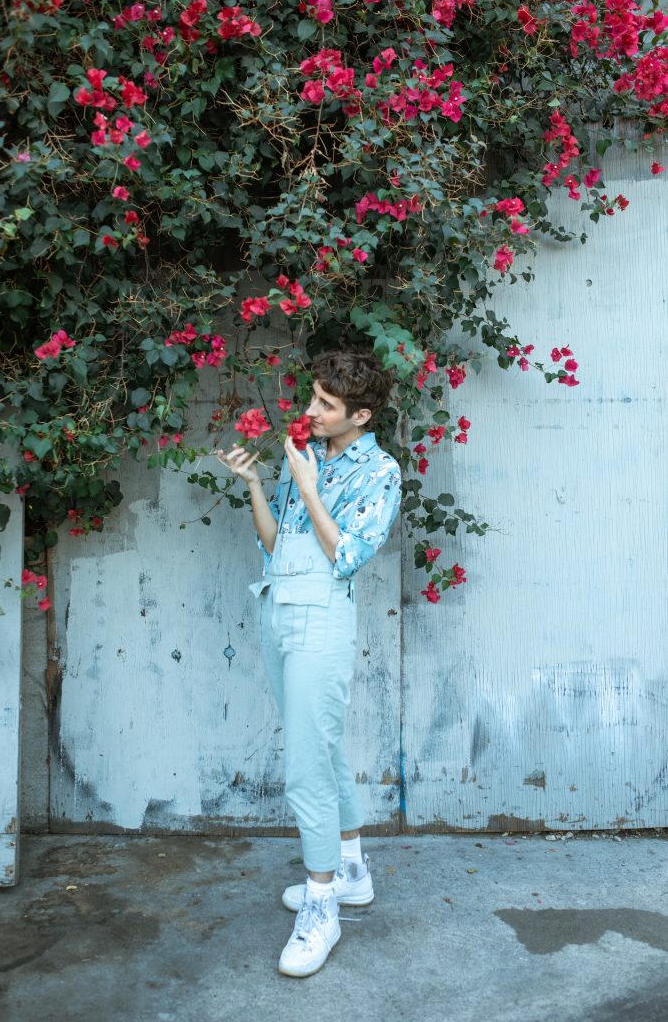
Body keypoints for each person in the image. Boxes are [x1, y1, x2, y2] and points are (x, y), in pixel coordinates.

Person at [217, 348, 401, 978]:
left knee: (304, 770)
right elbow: (276, 546)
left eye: (326, 404)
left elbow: (346, 554)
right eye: (313, 397)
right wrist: (255, 486)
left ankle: (322, 908)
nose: (310, 411)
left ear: (361, 414)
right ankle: (351, 873)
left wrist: (307, 486)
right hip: (278, 608)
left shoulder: (379, 471)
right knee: (322, 753)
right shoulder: (310, 457)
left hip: (321, 617)